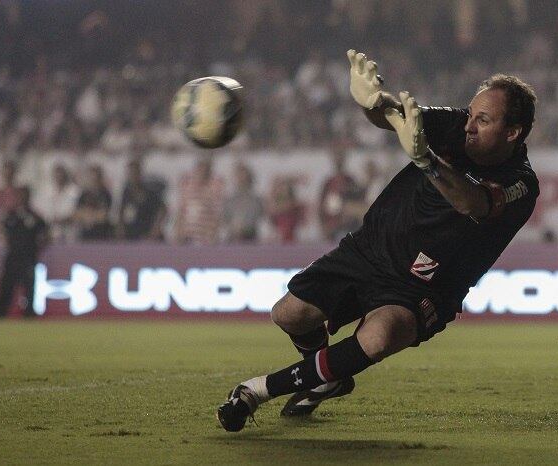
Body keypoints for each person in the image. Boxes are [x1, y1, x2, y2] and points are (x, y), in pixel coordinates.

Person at [217, 49, 539, 432]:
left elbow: (471, 201)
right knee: (288, 314)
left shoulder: (521, 182)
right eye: (470, 114)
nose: (469, 125)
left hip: (423, 286)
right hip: (370, 249)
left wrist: (428, 162)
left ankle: (256, 390)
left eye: (482, 120)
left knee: (380, 335)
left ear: (512, 132)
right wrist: (371, 102)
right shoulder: (456, 126)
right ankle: (329, 377)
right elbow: (396, 115)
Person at [0, 187, 48, 318]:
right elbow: (1, 231)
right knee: (6, 288)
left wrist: (37, 248)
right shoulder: (10, 215)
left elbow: (45, 234)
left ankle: (29, 316)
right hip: (12, 258)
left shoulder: (35, 217)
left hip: (28, 258)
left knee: (29, 289)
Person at [118, 159, 167, 241]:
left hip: (146, 232)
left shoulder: (150, 191)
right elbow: (121, 210)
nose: (132, 176)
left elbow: (163, 209)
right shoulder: (126, 192)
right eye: (130, 173)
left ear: (140, 173)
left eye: (135, 173)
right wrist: (120, 227)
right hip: (130, 232)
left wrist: (156, 228)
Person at [0, 160, 25, 243]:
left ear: (14, 174)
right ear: (1, 174)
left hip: (17, 236)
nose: (8, 177)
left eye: (10, 174)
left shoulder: (20, 194)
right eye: (6, 174)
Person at [223, 163, 263, 243]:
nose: (241, 180)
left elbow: (257, 217)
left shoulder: (256, 199)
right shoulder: (229, 200)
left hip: (250, 239)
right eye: (238, 176)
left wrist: (244, 228)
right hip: (232, 239)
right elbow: (225, 218)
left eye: (243, 177)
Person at [73, 164, 114, 241]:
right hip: (85, 234)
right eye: (91, 177)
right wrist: (90, 215)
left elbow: (103, 215)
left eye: (96, 177)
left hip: (101, 233)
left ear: (100, 178)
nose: (93, 179)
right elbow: (77, 214)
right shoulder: (84, 194)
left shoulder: (105, 194)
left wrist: (88, 215)